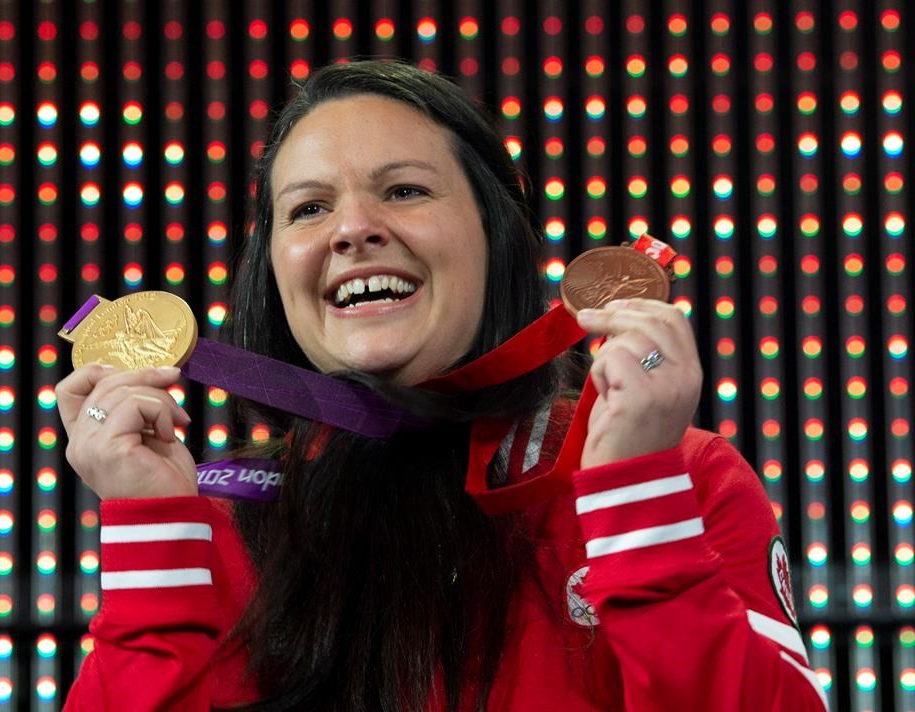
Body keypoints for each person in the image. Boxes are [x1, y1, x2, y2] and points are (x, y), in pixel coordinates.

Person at [57, 60, 827, 711]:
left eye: (404, 191)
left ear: (496, 235)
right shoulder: (209, 520)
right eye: (310, 208)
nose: (352, 229)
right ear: (274, 272)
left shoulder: (679, 479)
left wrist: (637, 502)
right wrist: (150, 524)